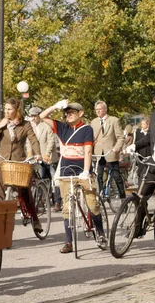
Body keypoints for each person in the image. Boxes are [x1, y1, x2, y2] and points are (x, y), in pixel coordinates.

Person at [40, 100, 106, 253]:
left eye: (71, 113)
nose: (68, 115)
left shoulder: (86, 129)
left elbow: (88, 151)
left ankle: (101, 234)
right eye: (66, 113)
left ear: (80, 113)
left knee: (92, 204)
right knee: (67, 207)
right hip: (66, 172)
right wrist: (55, 106)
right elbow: (42, 117)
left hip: (82, 170)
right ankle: (69, 242)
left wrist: (86, 170)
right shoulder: (62, 128)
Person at [0, 98, 43, 234]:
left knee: (25, 191)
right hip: (1, 162)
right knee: (1, 194)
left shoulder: (25, 125)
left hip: (19, 163)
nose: (6, 112)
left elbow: (34, 140)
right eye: (5, 109)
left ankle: (35, 219)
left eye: (9, 109)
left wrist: (38, 154)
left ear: (16, 110)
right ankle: (3, 224)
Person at [27, 106, 62, 212]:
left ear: (39, 115)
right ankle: (41, 201)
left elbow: (51, 141)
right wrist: (29, 153)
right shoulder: (30, 127)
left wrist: (47, 154)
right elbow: (29, 142)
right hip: (38, 158)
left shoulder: (46, 126)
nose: (33, 118)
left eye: (35, 116)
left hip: (50, 158)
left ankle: (57, 202)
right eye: (31, 116)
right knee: (41, 179)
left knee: (55, 180)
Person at [90, 101, 126, 200]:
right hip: (99, 153)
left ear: (105, 109)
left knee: (116, 176)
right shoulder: (93, 122)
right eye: (96, 110)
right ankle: (102, 196)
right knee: (99, 176)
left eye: (100, 109)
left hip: (111, 152)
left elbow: (120, 137)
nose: (98, 111)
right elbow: (91, 138)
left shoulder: (114, 120)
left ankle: (123, 197)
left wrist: (117, 147)